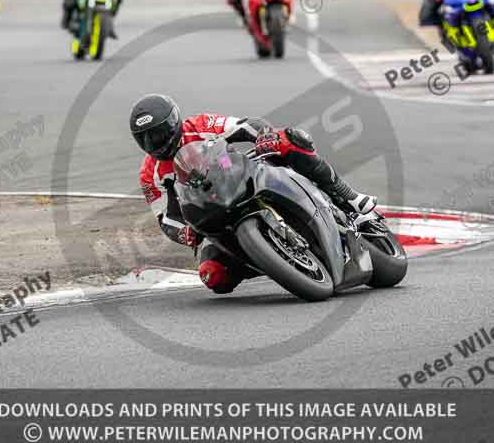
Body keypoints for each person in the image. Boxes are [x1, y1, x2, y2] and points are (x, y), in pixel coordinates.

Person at [130, 94, 377, 294]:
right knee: (213, 276)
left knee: (288, 139)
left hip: (240, 177)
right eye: (146, 139)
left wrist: (263, 135)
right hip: (210, 214)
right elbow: (165, 218)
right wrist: (185, 233)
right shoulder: (149, 174)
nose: (155, 143)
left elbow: (245, 125)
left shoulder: (200, 125)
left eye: (159, 133)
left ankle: (348, 197)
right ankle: (269, 260)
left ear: (174, 123)